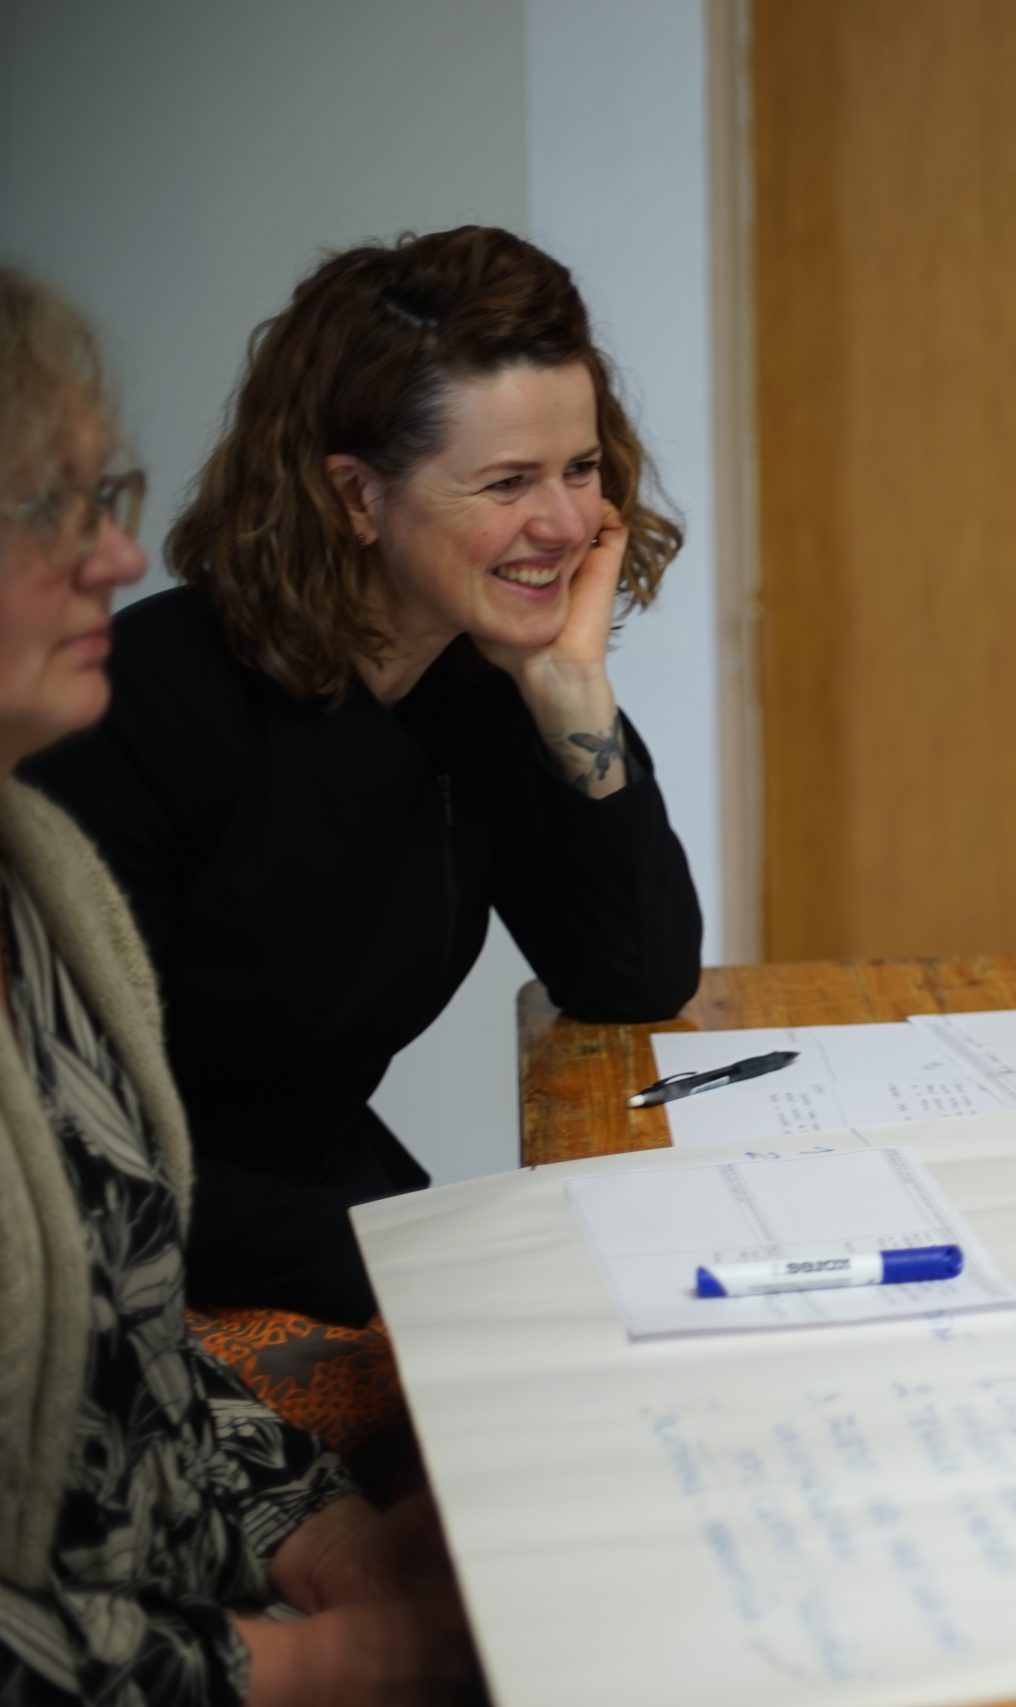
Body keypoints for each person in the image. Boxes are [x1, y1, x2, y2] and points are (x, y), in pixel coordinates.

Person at [27, 227, 703, 1339]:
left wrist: (573, 697)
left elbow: (634, 974)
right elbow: (85, 1162)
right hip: (143, 1275)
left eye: (581, 469)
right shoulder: (137, 709)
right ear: (355, 495)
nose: (568, 523)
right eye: (508, 482)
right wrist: (422, 1268)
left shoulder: (485, 681)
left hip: (335, 1221)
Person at [0, 266, 478, 1707]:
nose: (117, 553)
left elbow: (130, 1335)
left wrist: (328, 1537)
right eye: (48, 510)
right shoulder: (157, 726)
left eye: (108, 495)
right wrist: (332, 1657)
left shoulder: (35, 872)